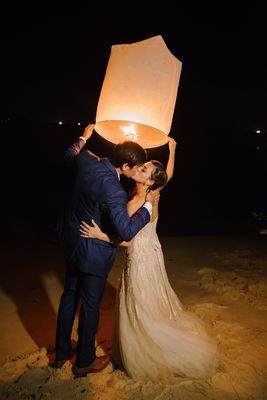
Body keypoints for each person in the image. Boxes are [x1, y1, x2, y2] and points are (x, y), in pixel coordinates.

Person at [80, 137, 217, 381]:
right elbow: (169, 175)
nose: (139, 168)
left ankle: (145, 352)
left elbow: (128, 240)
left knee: (140, 304)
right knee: (151, 302)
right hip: (154, 254)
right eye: (141, 166)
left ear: (149, 180)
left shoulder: (135, 203)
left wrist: (101, 235)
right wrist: (173, 150)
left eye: (144, 169)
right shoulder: (155, 192)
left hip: (141, 259)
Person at [53, 124, 160, 378]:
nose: (137, 171)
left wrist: (83, 137)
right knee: (90, 306)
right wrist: (147, 208)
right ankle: (84, 362)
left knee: (69, 296)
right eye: (136, 167)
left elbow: (69, 155)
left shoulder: (88, 160)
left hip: (71, 240)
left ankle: (60, 355)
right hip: (93, 252)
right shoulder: (113, 189)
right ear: (124, 168)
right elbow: (125, 231)